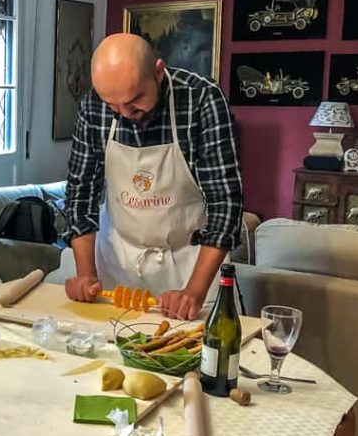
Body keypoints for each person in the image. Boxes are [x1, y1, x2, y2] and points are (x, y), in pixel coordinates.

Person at [62, 33, 244, 320]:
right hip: (118, 260)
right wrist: (86, 276)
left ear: (158, 71)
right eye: (113, 105)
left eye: (134, 100)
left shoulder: (202, 100)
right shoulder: (93, 106)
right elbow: (79, 194)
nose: (124, 113)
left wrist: (193, 292)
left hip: (190, 263)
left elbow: (225, 205)